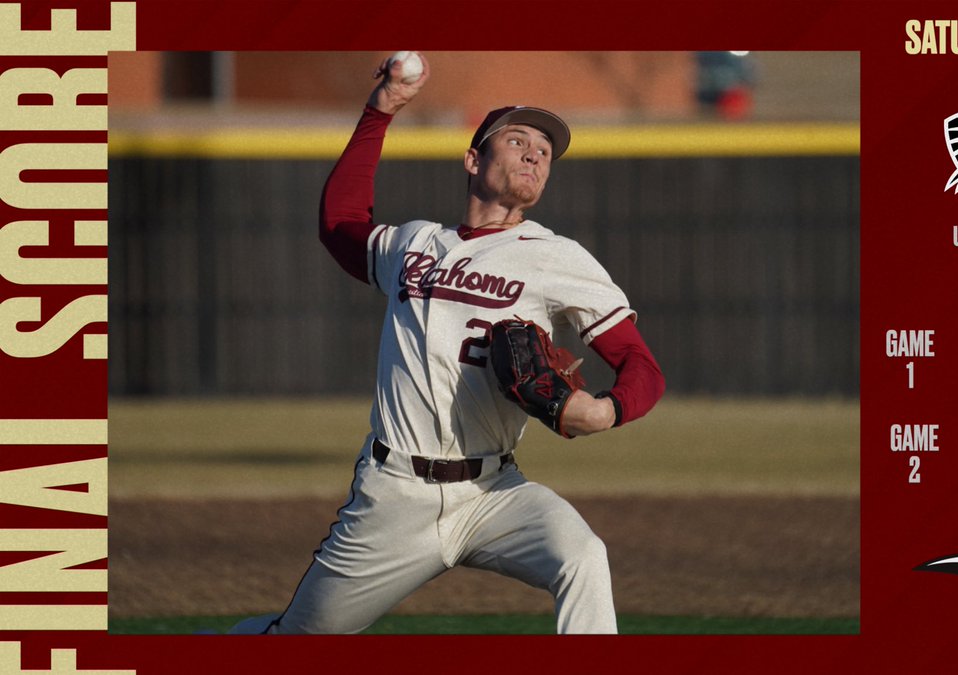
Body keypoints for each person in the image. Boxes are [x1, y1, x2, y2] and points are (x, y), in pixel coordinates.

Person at [230, 52, 665, 635]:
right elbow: (340, 224)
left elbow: (641, 364)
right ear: (473, 158)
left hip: (495, 491)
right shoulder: (413, 244)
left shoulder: (557, 257)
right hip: (394, 494)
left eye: (545, 150)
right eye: (517, 140)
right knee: (300, 641)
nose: (536, 152)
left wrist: (607, 409)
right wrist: (380, 111)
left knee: (583, 557)